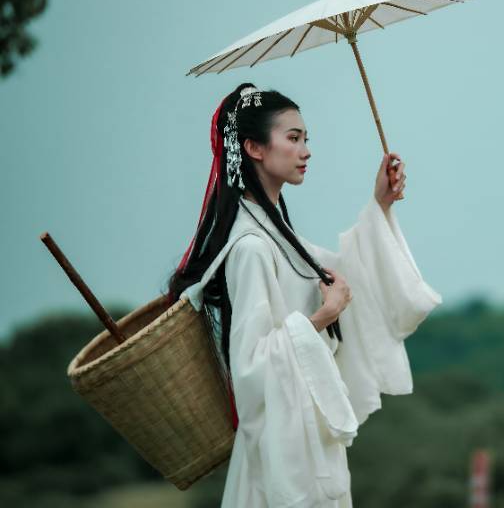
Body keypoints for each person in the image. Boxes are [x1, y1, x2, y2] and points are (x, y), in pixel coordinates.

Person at [165, 82, 442, 507]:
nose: (306, 150)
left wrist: (380, 203)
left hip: (309, 440)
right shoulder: (252, 247)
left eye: (306, 139)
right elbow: (252, 366)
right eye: (293, 138)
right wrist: (321, 320)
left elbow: (352, 276)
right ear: (255, 148)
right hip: (280, 457)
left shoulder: (279, 235)